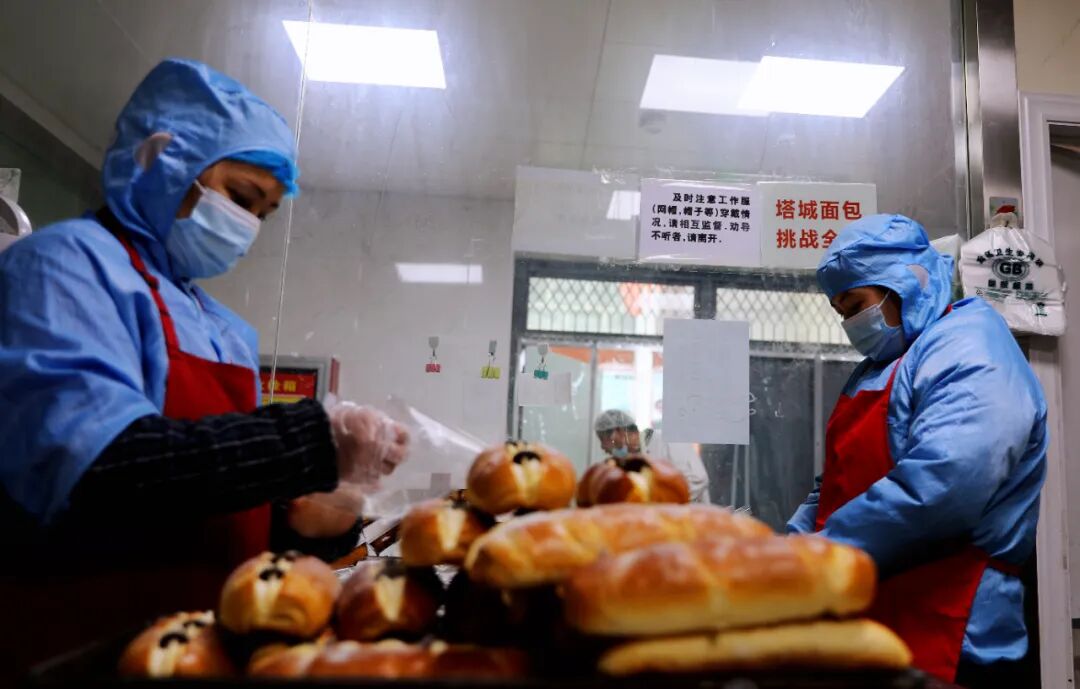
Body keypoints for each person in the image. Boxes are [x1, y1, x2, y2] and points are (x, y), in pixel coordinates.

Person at [0, 59, 409, 676]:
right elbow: (103, 470)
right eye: (241, 198)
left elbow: (214, 497)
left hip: (209, 646)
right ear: (161, 158)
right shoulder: (62, 267)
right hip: (84, 640)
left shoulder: (223, 329)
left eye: (262, 214)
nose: (246, 226)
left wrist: (303, 520)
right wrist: (309, 441)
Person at [787, 214, 1046, 686]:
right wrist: (783, 550)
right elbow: (834, 489)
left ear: (904, 283)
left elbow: (945, 487)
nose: (850, 324)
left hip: (952, 624)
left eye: (856, 305)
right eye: (841, 312)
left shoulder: (970, 347)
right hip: (878, 620)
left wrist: (817, 556)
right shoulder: (879, 367)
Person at [593, 409, 710, 502]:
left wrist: (662, 502)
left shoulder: (668, 442)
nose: (603, 447)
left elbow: (698, 478)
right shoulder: (634, 459)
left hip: (693, 519)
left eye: (603, 439)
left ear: (619, 432)